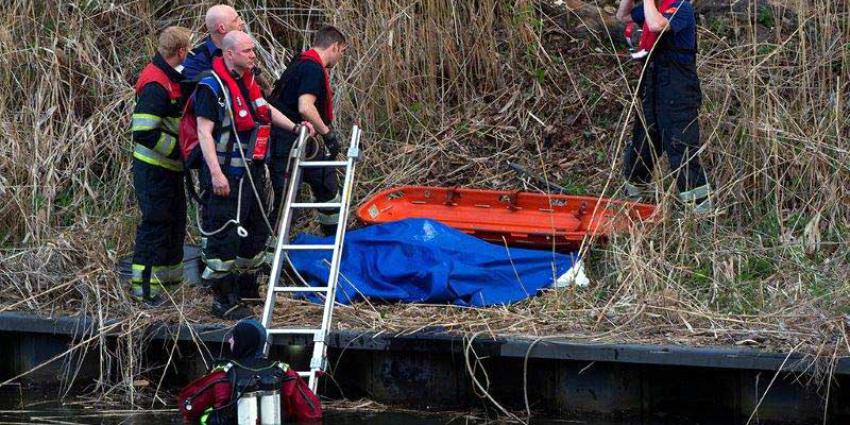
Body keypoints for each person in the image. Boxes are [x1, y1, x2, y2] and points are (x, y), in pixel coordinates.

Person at [192, 31, 314, 319]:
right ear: (229, 53)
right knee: (225, 235)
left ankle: (247, 288)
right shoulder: (212, 87)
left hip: (252, 171)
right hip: (227, 175)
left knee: (256, 229)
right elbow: (203, 132)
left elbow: (265, 110)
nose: (253, 55)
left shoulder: (248, 83)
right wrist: (216, 173)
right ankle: (223, 298)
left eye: (253, 51)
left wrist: (296, 128)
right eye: (247, 51)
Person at [616, 0, 712, 213]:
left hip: (679, 93)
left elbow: (657, 25)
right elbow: (622, 16)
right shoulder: (655, 8)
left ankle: (701, 214)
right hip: (654, 89)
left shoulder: (681, 8)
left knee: (681, 149)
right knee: (643, 145)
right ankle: (634, 201)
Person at [129, 26, 192, 304]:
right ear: (180, 51)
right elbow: (144, 131)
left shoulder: (170, 77)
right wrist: (178, 151)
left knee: (174, 222)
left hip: (168, 169)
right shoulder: (156, 84)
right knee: (155, 224)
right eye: (187, 50)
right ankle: (144, 291)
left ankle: (169, 285)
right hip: (154, 168)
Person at [268, 26, 348, 238]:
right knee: (285, 203)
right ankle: (268, 258)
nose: (340, 58)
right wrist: (328, 134)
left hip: (304, 142)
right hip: (290, 143)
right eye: (342, 52)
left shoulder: (300, 62)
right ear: (335, 46)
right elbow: (305, 106)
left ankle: (332, 238)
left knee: (328, 187)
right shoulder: (312, 68)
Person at [178, 319, 323, 424]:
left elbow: (188, 404)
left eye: (233, 337)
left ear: (242, 342)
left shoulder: (222, 375)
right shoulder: (285, 373)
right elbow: (312, 412)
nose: (229, 341)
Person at [182, 5, 244, 82]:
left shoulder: (244, 49)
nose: (242, 22)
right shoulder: (195, 62)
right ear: (222, 28)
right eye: (235, 20)